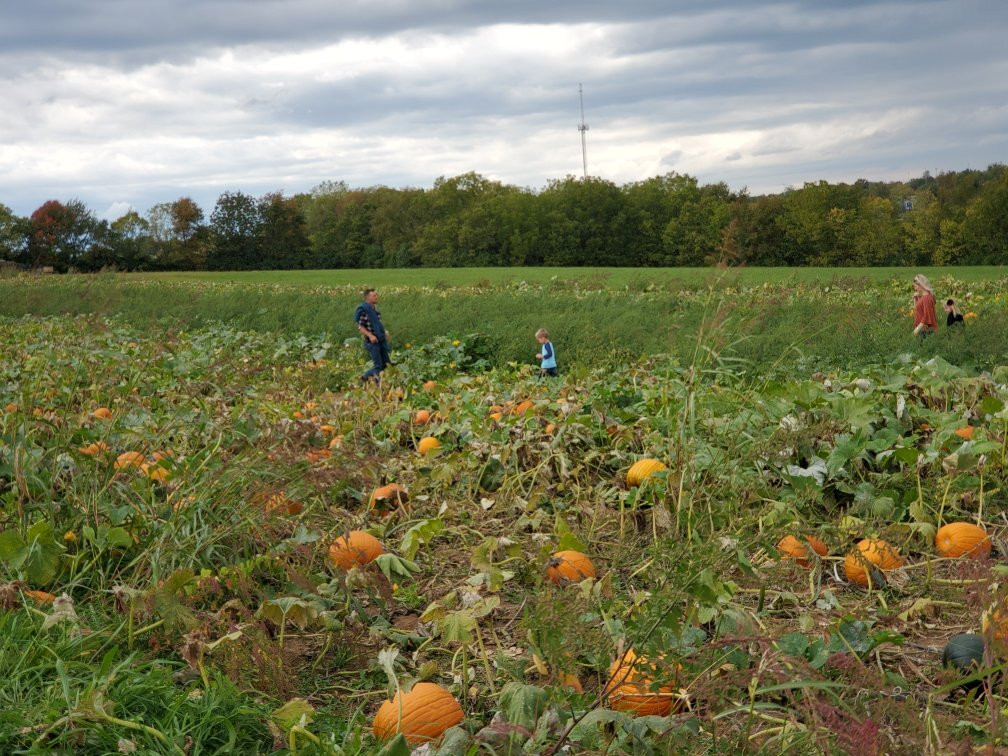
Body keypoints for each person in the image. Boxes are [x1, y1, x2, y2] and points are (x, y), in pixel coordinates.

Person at [354, 288, 391, 383]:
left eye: (376, 295)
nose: (376, 297)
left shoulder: (375, 310)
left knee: (386, 364)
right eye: (374, 296)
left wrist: (384, 332)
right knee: (378, 366)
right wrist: (370, 335)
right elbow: (360, 327)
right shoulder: (364, 311)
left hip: (380, 340)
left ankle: (365, 377)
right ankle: (376, 385)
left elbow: (378, 324)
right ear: (368, 297)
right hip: (372, 342)